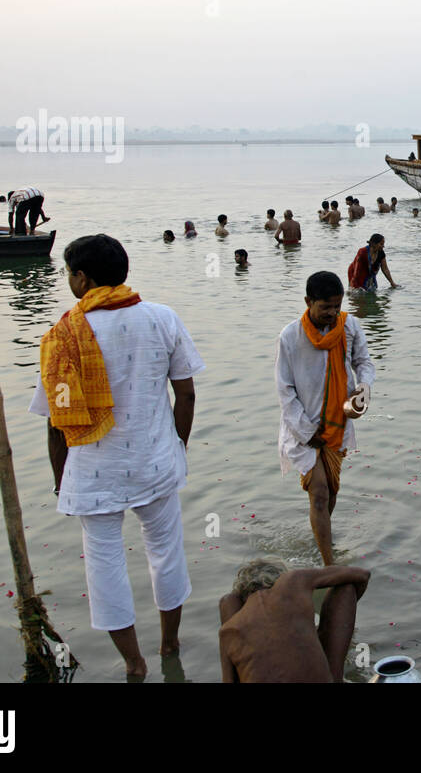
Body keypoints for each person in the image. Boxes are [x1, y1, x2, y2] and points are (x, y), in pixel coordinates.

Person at [28, 234, 204, 678]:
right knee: (166, 552)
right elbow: (185, 393)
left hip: (93, 470)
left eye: (69, 272)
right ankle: (170, 644)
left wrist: (59, 478)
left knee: (105, 563)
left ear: (82, 277)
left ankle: (134, 663)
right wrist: (176, 447)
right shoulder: (162, 318)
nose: (68, 279)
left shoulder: (64, 333)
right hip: (156, 462)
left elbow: (56, 420)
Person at [275, 271, 375, 566]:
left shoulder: (350, 326)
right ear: (308, 302)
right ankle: (329, 564)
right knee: (319, 490)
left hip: (337, 423)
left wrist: (363, 390)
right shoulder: (290, 336)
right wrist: (306, 430)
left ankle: (319, 541)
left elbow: (363, 362)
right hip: (301, 428)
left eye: (337, 306)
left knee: (329, 493)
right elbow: (285, 389)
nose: (332, 314)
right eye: (325, 307)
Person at [219, 559, 370, 683]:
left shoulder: (228, 630)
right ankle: (337, 679)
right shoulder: (292, 580)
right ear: (278, 578)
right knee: (346, 586)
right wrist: (329, 632)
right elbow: (362, 575)